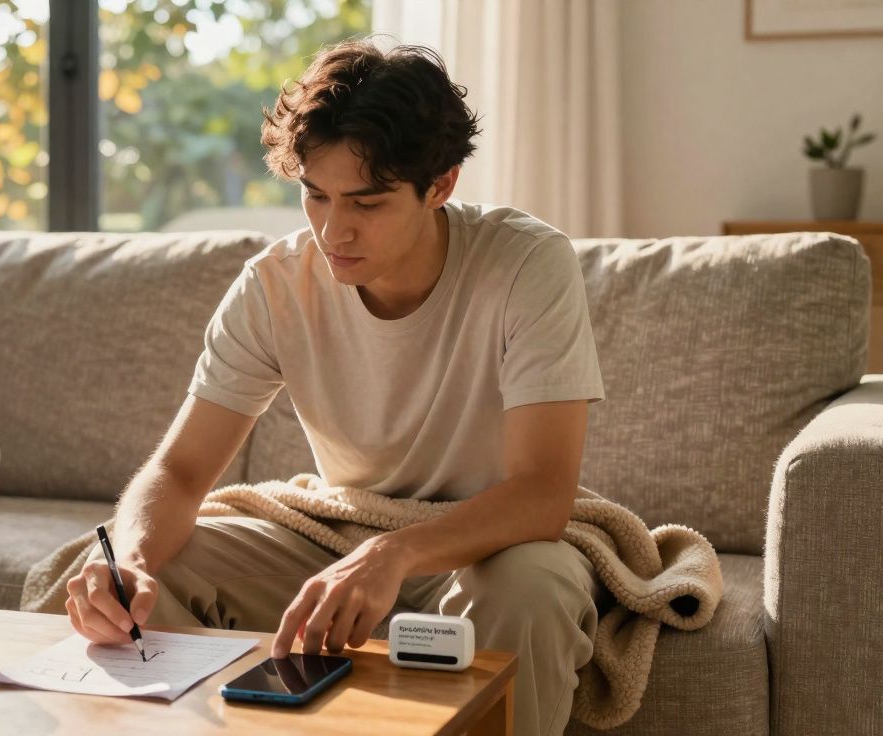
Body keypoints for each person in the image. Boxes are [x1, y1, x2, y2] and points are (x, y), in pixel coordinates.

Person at [65, 38, 606, 736]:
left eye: (367, 202)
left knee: (534, 591)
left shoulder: (527, 264)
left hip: (492, 547)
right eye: (314, 195)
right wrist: (130, 560)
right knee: (125, 579)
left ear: (440, 185)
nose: (332, 228)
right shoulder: (274, 285)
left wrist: (395, 553)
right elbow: (181, 467)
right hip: (338, 536)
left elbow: (543, 493)